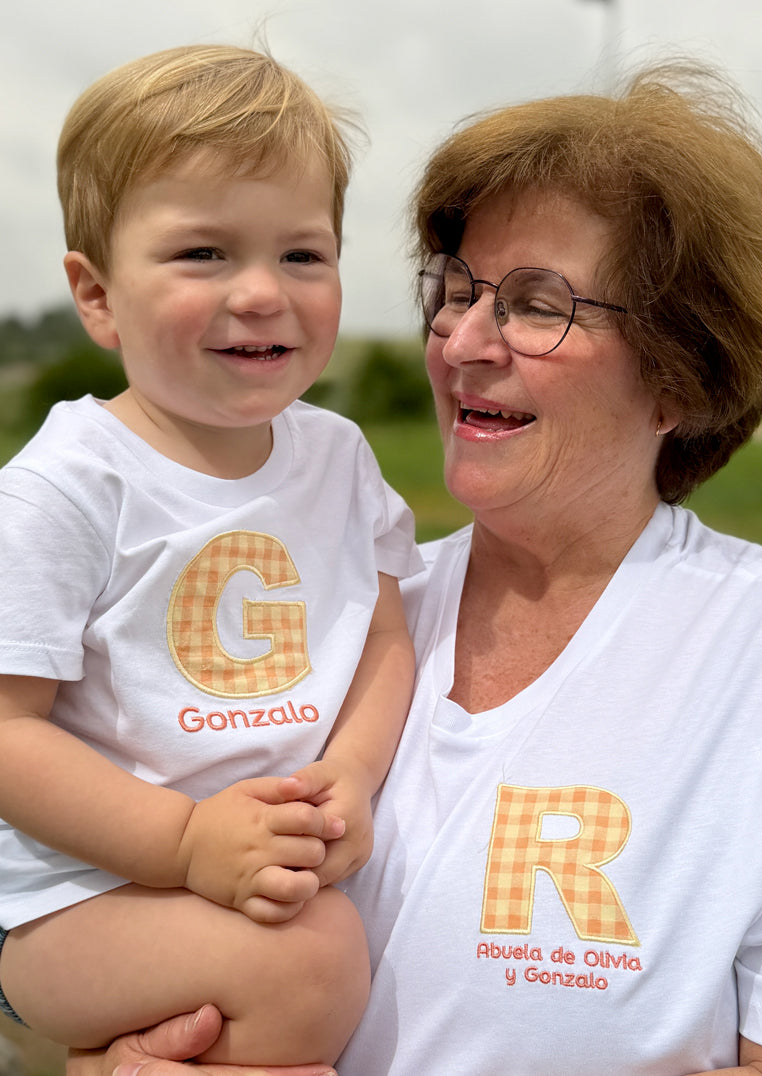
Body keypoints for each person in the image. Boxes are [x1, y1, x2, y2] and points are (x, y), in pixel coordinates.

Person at [69, 60, 762, 1076]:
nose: (460, 340)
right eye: (455, 292)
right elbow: (96, 908)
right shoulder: (311, 611)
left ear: (679, 373)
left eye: (535, 304)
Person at [0, 44, 422, 1069]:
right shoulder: (67, 484)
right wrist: (183, 845)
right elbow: (10, 733)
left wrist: (351, 777)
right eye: (203, 254)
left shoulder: (337, 455)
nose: (261, 291)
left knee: (319, 946)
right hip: (86, 892)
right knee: (313, 960)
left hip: (258, 869)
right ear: (96, 295)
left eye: (301, 254)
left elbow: (382, 633)